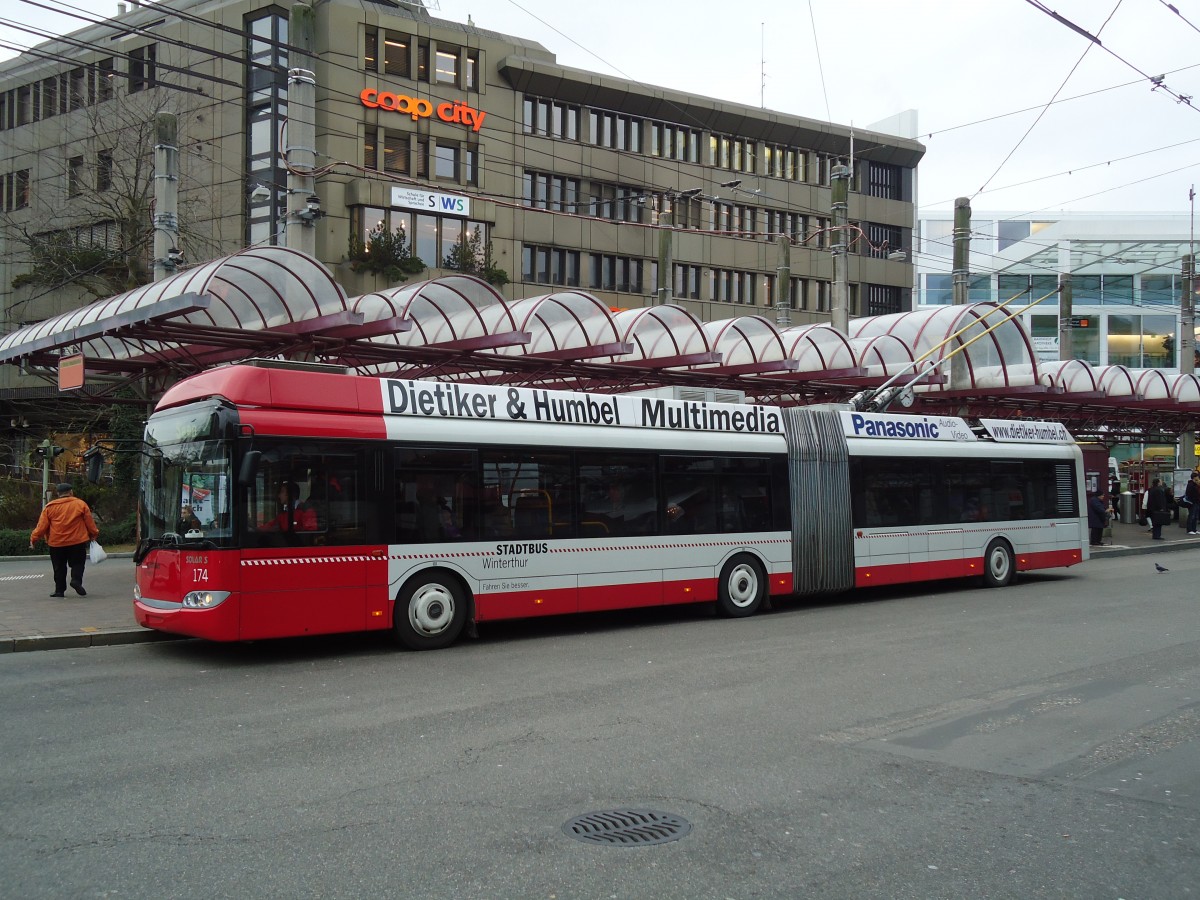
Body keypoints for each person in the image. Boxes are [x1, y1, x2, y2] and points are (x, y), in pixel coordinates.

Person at [29, 482, 100, 598]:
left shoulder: (50, 507)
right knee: (78, 563)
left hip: (56, 543)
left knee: (59, 567)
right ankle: (76, 580)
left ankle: (59, 590)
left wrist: (33, 538)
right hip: (77, 541)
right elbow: (89, 522)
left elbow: (41, 527)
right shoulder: (80, 504)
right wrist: (94, 534)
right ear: (71, 492)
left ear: (58, 494)